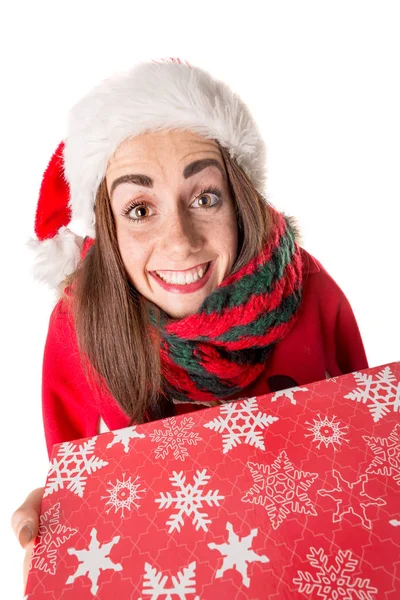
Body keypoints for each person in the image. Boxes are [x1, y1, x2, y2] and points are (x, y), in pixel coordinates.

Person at [11, 57, 368, 589]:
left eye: (204, 197)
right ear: (106, 226)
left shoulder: (309, 290)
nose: (180, 241)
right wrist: (63, 543)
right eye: (139, 209)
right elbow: (80, 487)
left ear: (238, 200)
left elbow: (363, 453)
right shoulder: (79, 324)